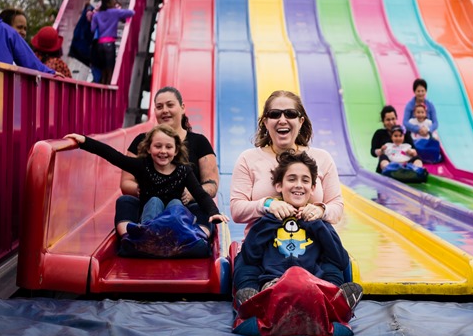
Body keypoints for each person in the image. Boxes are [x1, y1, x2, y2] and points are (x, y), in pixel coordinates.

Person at [233, 150, 362, 310]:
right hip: (275, 283)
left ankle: (333, 300)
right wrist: (271, 220)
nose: (299, 185)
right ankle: (255, 302)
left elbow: (339, 259)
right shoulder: (268, 220)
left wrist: (315, 224)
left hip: (314, 283)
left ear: (313, 188)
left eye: (305, 180)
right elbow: (250, 255)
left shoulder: (317, 221)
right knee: (246, 268)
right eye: (292, 179)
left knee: (332, 269)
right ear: (279, 185)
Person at [64, 125, 228, 242]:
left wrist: (213, 212)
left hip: (174, 224)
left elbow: (200, 193)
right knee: (153, 201)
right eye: (158, 146)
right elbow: (113, 156)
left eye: (168, 147)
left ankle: (173, 235)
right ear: (149, 149)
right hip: (150, 218)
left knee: (176, 202)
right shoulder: (142, 166)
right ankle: (148, 235)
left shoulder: (183, 170)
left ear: (176, 150)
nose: (163, 151)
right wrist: (84, 141)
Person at [230, 90, 344, 234]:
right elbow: (236, 210)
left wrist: (320, 210)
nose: (282, 120)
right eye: (274, 114)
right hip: (263, 249)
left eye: (290, 114)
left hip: (312, 247)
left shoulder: (322, 158)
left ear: (300, 121)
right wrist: (267, 205)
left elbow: (337, 207)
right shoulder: (248, 159)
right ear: (265, 122)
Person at [117, 86, 220, 236]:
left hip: (186, 210)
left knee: (200, 206)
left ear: (182, 107)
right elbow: (126, 183)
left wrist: (191, 194)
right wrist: (146, 188)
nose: (164, 110)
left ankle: (197, 237)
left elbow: (212, 184)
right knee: (125, 201)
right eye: (159, 107)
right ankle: (131, 238)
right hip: (148, 205)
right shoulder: (141, 141)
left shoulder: (199, 142)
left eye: (170, 105)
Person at [0, 0, 56, 75]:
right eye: (19, 27)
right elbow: (30, 63)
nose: (23, 32)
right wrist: (50, 72)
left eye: (25, 29)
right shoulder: (7, 32)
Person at [91, 0, 134, 84]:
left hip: (99, 45)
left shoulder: (97, 15)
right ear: (109, 4)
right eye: (114, 4)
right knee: (110, 70)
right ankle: (109, 91)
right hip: (110, 44)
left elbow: (92, 29)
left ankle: (102, 91)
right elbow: (131, 13)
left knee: (103, 70)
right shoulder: (115, 12)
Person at [370, 104, 414, 173]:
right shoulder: (379, 134)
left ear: (396, 118)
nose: (391, 122)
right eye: (388, 120)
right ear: (383, 121)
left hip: (404, 163)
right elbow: (373, 152)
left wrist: (411, 152)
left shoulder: (405, 133)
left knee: (417, 158)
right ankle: (389, 170)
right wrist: (380, 150)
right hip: (387, 163)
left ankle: (417, 171)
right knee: (383, 157)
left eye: (393, 119)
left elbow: (414, 149)